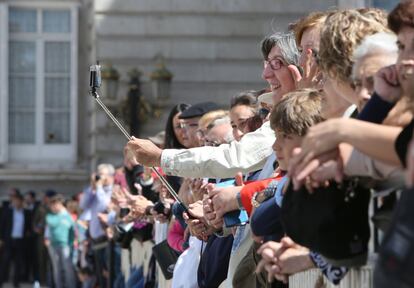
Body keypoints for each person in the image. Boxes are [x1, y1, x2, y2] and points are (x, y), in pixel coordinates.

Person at [80, 163, 115, 288]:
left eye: (103, 175)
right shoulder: (95, 191)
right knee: (99, 278)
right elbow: (83, 205)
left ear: (110, 176)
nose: (99, 178)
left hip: (106, 241)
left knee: (107, 276)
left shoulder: (113, 191)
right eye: (98, 174)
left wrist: (99, 188)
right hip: (95, 241)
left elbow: (103, 206)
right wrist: (92, 187)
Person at [0, 192, 32, 288]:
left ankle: (16, 282)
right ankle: (1, 281)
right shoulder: (7, 212)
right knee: (5, 262)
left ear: (22, 202)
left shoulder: (26, 213)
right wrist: (1, 238)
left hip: (20, 241)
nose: (16, 203)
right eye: (15, 201)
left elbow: (28, 227)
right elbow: (2, 226)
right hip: (9, 240)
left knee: (18, 263)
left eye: (18, 201)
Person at [45, 195, 76, 288]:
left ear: (59, 204)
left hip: (65, 245)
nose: (52, 207)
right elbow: (53, 223)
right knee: (56, 268)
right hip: (53, 245)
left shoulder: (67, 216)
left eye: (54, 204)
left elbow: (72, 230)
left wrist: (71, 243)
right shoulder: (50, 216)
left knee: (67, 268)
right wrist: (62, 214)